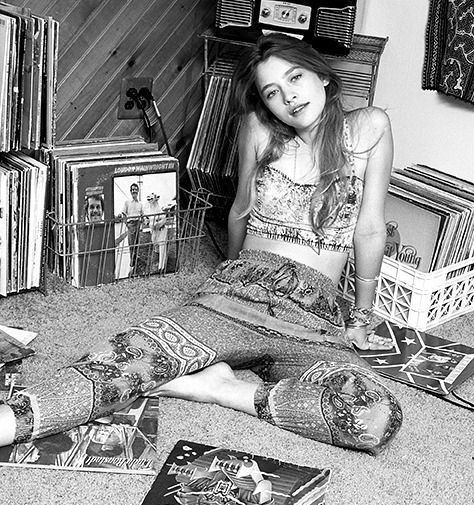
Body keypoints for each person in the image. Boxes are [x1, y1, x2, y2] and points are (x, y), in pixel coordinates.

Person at [0, 34, 402, 455]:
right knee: (125, 360)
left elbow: (370, 230)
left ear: (321, 74)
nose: (289, 96)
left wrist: (361, 318)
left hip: (313, 321)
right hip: (241, 292)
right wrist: (230, 275)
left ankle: (219, 388)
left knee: (374, 414)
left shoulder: (369, 127)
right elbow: (240, 210)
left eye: (295, 77)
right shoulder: (260, 128)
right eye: (272, 92)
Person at [120, 183, 144, 274]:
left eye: (136, 189)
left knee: (137, 244)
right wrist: (127, 224)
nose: (134, 191)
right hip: (131, 225)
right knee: (131, 245)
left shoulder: (140, 204)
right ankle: (131, 265)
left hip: (138, 224)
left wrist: (141, 223)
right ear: (130, 191)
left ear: (138, 191)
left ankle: (136, 261)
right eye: (133, 190)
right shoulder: (127, 202)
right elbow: (123, 214)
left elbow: (142, 215)